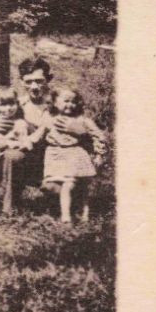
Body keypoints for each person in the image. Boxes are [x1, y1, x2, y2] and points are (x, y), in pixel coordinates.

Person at [0, 57, 58, 212]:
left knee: (56, 193)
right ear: (21, 81)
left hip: (52, 158)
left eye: (39, 81)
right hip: (25, 157)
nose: (34, 86)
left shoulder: (58, 105)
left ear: (48, 80)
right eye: (28, 82)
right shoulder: (16, 105)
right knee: (12, 156)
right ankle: (10, 206)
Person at [0, 85, 42, 220]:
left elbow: (25, 143)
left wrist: (9, 143)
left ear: (17, 103)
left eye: (12, 104)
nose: (8, 108)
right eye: (3, 105)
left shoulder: (20, 123)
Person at [41, 87, 107, 225]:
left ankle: (72, 216)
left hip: (75, 154)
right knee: (55, 185)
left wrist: (99, 154)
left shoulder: (82, 120)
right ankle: (69, 211)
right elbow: (38, 134)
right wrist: (25, 142)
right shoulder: (49, 118)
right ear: (54, 102)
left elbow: (99, 136)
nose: (70, 104)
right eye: (66, 101)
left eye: (73, 101)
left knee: (75, 185)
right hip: (55, 155)